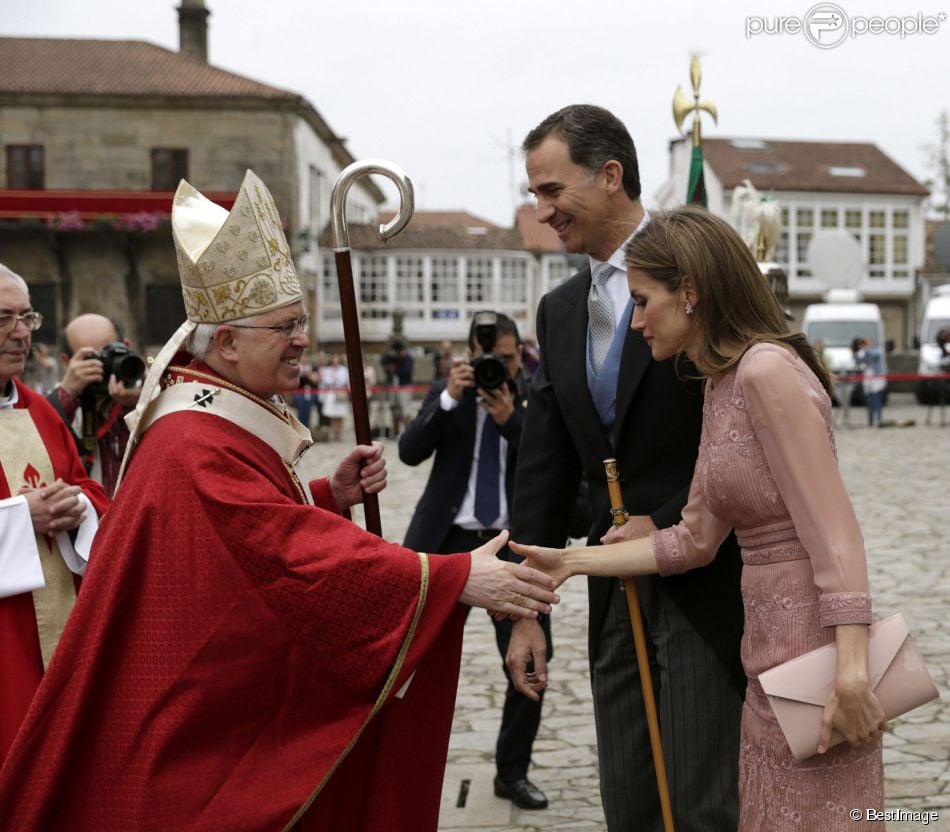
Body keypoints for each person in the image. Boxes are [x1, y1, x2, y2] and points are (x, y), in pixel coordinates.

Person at [0, 171, 559, 832]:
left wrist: (326, 493)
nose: (302, 340)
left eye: (302, 324)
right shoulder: (191, 439)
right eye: (286, 327)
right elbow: (280, 549)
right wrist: (452, 576)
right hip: (193, 731)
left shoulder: (215, 414)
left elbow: (246, 526)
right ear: (228, 343)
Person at [512, 206, 886, 832]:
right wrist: (572, 562)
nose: (633, 322)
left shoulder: (767, 370)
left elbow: (836, 532)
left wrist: (851, 672)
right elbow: (691, 540)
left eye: (641, 301)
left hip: (818, 659)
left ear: (689, 291)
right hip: (763, 655)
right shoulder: (719, 381)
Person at [508, 104, 745, 831]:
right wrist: (525, 608)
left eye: (552, 191)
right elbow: (544, 464)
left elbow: (749, 421)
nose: (542, 211)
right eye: (535, 194)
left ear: (611, 176)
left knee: (703, 809)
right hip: (612, 595)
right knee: (631, 806)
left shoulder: (704, 268)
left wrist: (670, 518)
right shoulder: (558, 309)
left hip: (703, 587)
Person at [400, 311, 549, 810]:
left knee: (530, 656)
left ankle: (512, 771)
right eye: (489, 359)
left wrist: (511, 421)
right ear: (469, 355)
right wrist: (448, 398)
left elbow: (549, 462)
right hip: (447, 540)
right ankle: (400, 762)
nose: (498, 369)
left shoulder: (531, 393)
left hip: (509, 545)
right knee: (408, 655)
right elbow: (408, 451)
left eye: (506, 359)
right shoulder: (452, 395)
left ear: (518, 354)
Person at [0, 265, 109, 766]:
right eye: (4, 318)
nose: (21, 333)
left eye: (26, 317)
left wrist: (78, 506)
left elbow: (86, 486)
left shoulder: (40, 411)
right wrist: (23, 516)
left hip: (59, 628)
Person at [46, 313, 142, 495]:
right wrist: (68, 394)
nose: (104, 364)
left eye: (110, 352)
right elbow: (38, 438)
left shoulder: (149, 393)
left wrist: (138, 405)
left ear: (127, 347)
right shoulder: (57, 404)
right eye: (92, 358)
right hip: (91, 514)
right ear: (67, 361)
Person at [854, 337, 886, 427]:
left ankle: (878, 420)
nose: (866, 344)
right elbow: (858, 361)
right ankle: (871, 421)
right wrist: (857, 350)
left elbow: (875, 355)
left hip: (877, 378)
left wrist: (865, 349)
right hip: (868, 379)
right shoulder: (864, 352)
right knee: (869, 400)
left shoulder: (877, 349)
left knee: (877, 399)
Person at [318, 352, 348, 441]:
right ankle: (333, 432)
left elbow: (344, 380)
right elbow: (325, 380)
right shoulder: (328, 369)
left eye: (337, 358)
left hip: (340, 393)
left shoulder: (344, 370)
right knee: (332, 414)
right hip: (331, 393)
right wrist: (333, 380)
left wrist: (335, 380)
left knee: (340, 414)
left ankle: (339, 433)